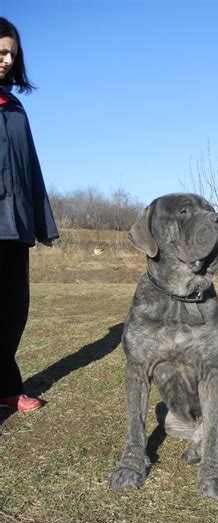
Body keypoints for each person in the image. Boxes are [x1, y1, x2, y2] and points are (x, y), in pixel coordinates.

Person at [0, 17, 58, 412]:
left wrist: (42, 223)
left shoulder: (16, 108)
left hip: (13, 226)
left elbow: (30, 167)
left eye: (11, 54)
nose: (5, 60)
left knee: (12, 309)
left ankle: (5, 387)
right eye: (0, 51)